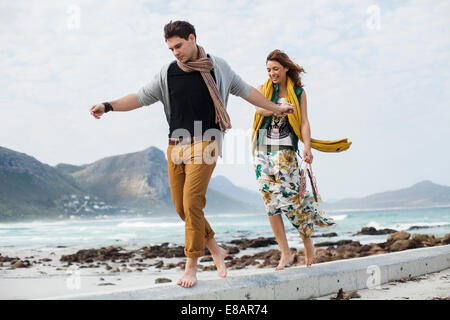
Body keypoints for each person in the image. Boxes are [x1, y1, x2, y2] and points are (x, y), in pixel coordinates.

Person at [89, 21, 295, 288]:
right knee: (182, 207)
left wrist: (276, 109)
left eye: (179, 46)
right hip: (176, 145)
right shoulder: (167, 73)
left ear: (192, 38)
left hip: (206, 141)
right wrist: (108, 106)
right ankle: (216, 249)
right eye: (171, 48)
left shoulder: (217, 67)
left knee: (192, 200)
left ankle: (192, 266)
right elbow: (139, 98)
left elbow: (248, 92)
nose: (175, 52)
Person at [251, 49, 352, 270]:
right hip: (262, 150)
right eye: (268, 70)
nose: (271, 73)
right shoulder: (263, 89)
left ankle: (307, 243)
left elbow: (304, 122)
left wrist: (307, 146)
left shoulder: (298, 92)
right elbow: (259, 110)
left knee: (291, 200)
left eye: (275, 69)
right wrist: (278, 108)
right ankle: (285, 253)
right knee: (271, 204)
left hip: (285, 151)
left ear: (286, 68)